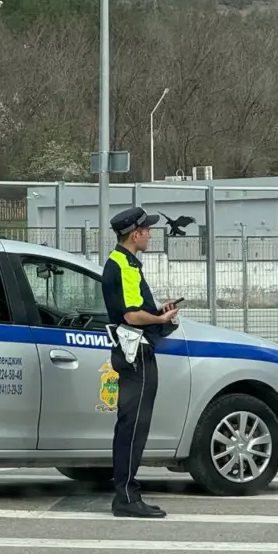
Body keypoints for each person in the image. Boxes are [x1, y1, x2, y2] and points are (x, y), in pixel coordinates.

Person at [101, 206, 179, 518]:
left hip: (133, 350)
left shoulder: (124, 262)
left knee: (132, 426)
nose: (150, 235)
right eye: (147, 230)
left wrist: (157, 312)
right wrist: (160, 318)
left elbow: (134, 309)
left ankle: (127, 495)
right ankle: (126, 498)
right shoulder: (124, 266)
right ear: (135, 235)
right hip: (136, 354)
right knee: (133, 427)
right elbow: (132, 315)